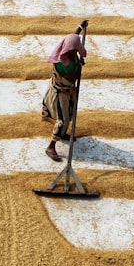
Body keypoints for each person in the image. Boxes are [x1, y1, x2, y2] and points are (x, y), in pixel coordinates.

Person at [41, 21, 88, 162]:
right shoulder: (64, 63)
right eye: (75, 49)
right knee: (63, 120)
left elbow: (73, 36)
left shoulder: (67, 50)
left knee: (69, 114)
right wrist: (79, 66)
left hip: (67, 91)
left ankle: (63, 134)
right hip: (61, 94)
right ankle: (51, 146)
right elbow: (73, 76)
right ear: (70, 49)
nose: (77, 50)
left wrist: (80, 27)